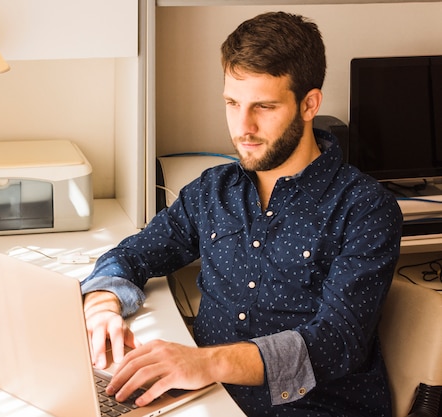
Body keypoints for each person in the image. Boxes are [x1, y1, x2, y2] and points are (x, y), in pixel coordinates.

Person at [81, 11, 402, 417]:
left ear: (309, 104)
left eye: (263, 107)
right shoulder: (213, 191)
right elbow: (135, 254)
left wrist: (206, 362)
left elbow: (335, 342)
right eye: (233, 103)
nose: (243, 127)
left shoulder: (365, 208)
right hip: (208, 400)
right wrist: (102, 303)